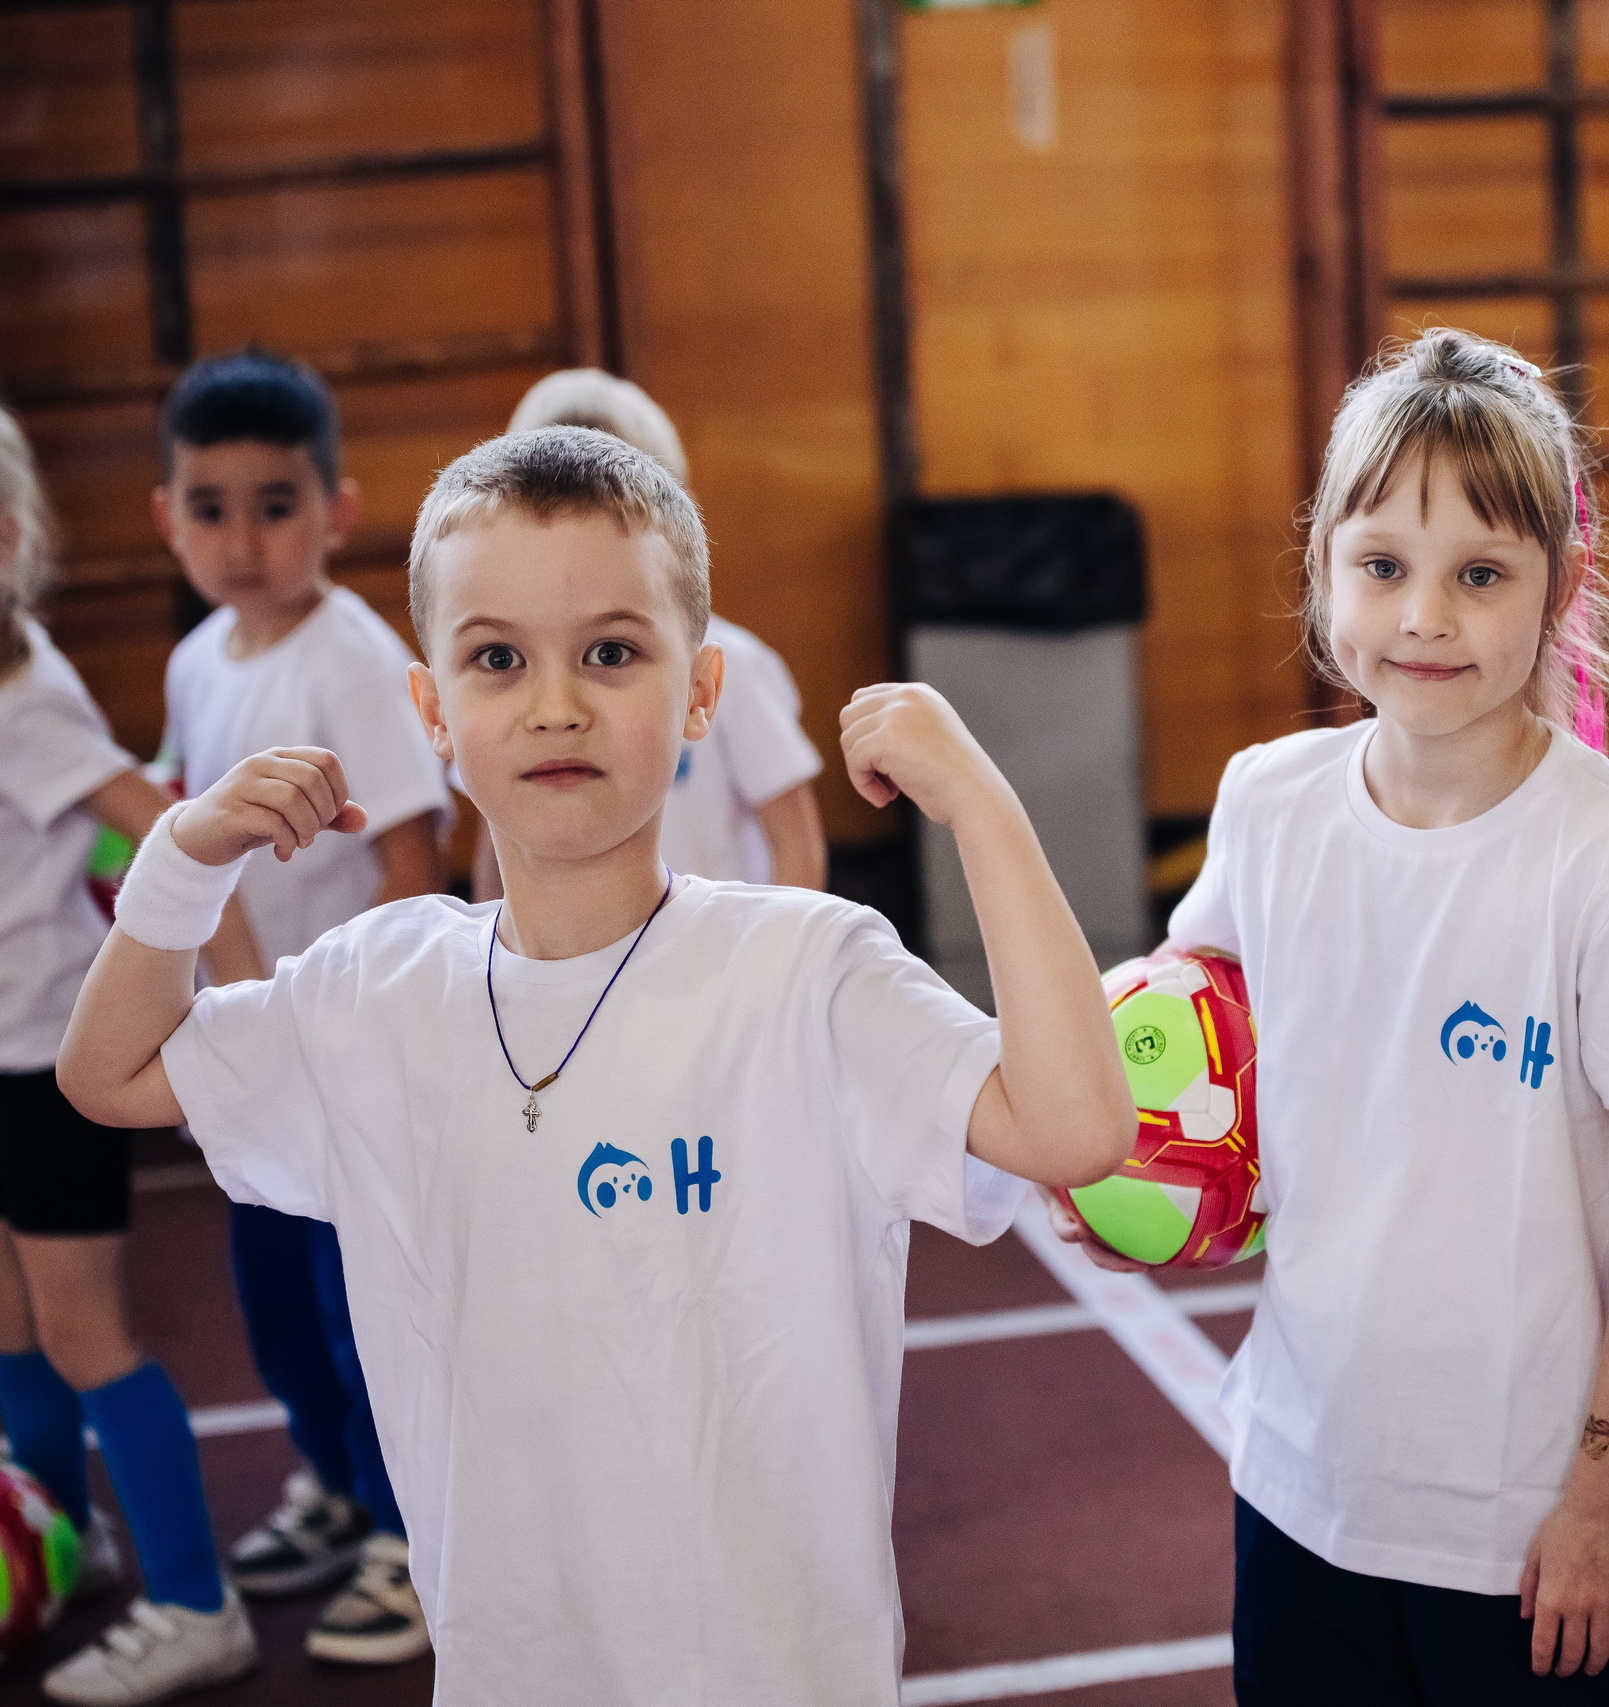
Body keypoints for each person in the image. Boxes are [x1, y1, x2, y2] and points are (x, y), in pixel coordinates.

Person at [58, 426, 1134, 1704]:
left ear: (700, 692)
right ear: (431, 713)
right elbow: (110, 1078)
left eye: (611, 652)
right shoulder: (371, 990)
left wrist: (985, 808)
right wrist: (181, 859)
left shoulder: (803, 972)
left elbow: (1073, 1131)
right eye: (497, 658)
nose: (555, 701)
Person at [1054, 329, 1609, 1703]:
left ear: (1560, 586)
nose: (1425, 615)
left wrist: (1606, 1488)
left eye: (1480, 574)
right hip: (1303, 1476)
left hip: (1526, 1519)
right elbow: (1175, 1030)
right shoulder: (1267, 800)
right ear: (1323, 568)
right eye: (1383, 565)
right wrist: (1114, 1167)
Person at [150, 350, 451, 1667]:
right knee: (274, 1297)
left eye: (276, 503)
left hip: (347, 1050)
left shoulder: (354, 659)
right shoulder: (195, 659)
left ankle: (410, 1528)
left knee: (361, 1302)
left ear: (338, 508)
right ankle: (334, 1478)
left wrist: (367, 1022)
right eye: (209, 506)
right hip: (255, 1046)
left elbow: (410, 858)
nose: (242, 536)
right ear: (164, 516)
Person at [0, 407, 265, 1706]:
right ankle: (62, 1538)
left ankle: (195, 1601)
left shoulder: (24, 698)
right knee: (10, 1328)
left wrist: (247, 984)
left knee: (83, 1327)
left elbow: (160, 826)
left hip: (39, 1064)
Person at [464, 368, 825, 898]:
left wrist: (780, 970)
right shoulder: (493, 680)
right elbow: (492, 857)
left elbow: (795, 841)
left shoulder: (734, 665)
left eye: (612, 653)